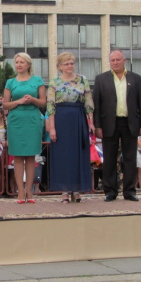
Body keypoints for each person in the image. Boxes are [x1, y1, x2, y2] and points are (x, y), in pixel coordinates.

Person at [92, 50, 141, 202]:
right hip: (109, 123)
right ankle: (110, 191)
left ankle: (129, 191)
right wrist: (97, 126)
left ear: (124, 60)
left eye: (118, 59)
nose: (115, 62)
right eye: (112, 60)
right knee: (109, 159)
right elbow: (97, 104)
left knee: (130, 158)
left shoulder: (135, 78)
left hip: (130, 123)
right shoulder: (101, 79)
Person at [47, 52, 94, 203]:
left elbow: (88, 101)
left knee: (78, 153)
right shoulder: (54, 82)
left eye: (71, 63)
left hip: (78, 118)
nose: (69, 66)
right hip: (61, 119)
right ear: (60, 66)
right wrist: (52, 128)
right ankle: (64, 190)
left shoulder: (82, 79)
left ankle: (77, 189)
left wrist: (91, 122)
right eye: (66, 64)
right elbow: (50, 106)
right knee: (63, 155)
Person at [3, 52, 45, 204]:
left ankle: (29, 190)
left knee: (31, 157)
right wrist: (19, 101)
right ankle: (20, 190)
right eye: (17, 62)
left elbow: (43, 102)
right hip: (16, 120)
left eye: (22, 62)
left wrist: (32, 99)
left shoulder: (37, 80)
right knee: (18, 157)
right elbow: (5, 104)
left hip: (32, 119)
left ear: (28, 64)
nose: (19, 65)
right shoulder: (10, 82)